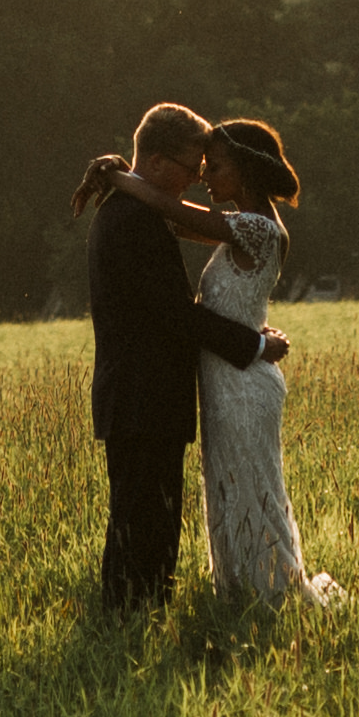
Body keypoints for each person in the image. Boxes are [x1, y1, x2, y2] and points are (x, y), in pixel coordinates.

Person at [71, 102, 285, 615]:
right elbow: (173, 313)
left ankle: (142, 615)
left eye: (208, 169)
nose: (198, 179)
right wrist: (253, 345)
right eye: (193, 168)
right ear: (163, 162)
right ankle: (131, 619)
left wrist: (120, 174)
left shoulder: (142, 211)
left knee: (150, 517)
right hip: (143, 395)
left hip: (151, 396)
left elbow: (187, 226)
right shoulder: (133, 219)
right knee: (142, 518)